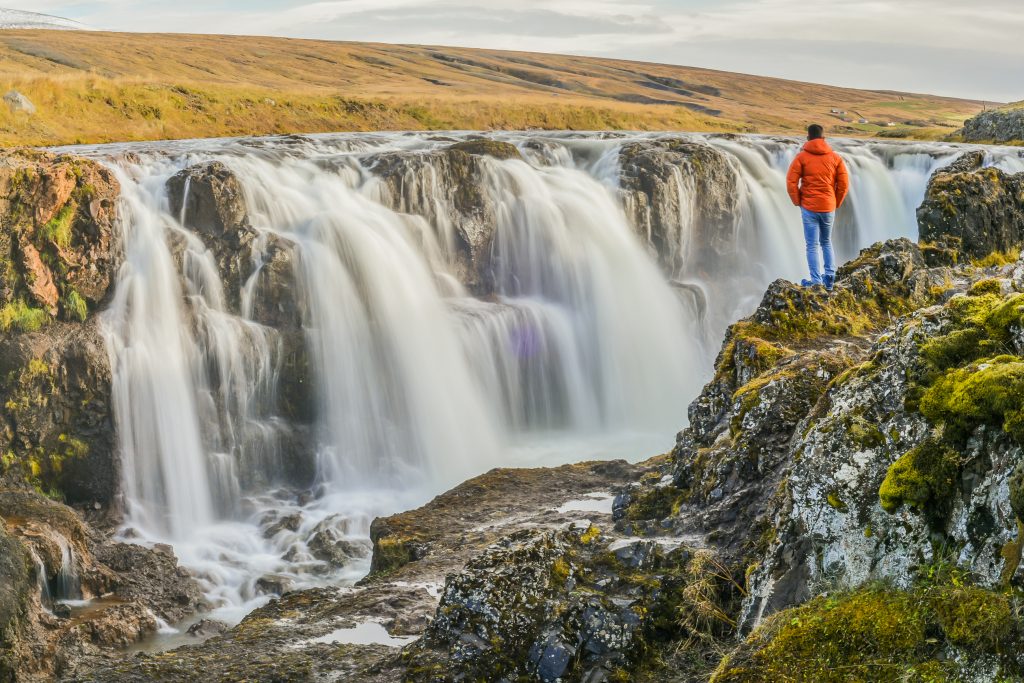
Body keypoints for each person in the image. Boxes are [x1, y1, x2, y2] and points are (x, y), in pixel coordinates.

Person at [786, 124, 849, 290]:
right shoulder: (836, 158)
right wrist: (836, 202)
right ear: (823, 138)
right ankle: (829, 280)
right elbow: (843, 184)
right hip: (828, 207)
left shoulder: (801, 158)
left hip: (809, 207)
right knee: (826, 242)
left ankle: (815, 281)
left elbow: (791, 182)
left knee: (812, 245)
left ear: (808, 138)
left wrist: (797, 201)